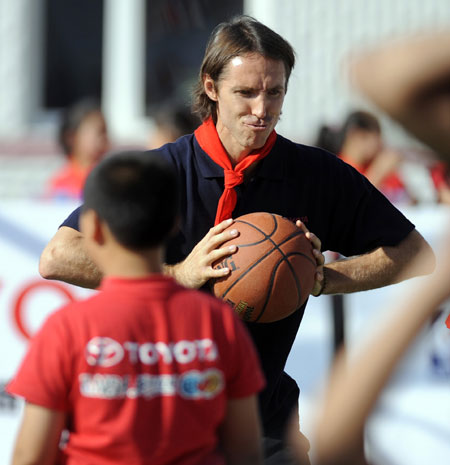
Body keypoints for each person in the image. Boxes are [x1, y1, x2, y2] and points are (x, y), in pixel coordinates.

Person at [38, 16, 435, 464]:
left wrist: (326, 277)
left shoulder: (317, 174)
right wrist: (176, 273)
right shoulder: (160, 172)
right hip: (164, 421)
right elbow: (57, 257)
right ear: (210, 87)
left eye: (275, 92)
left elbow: (415, 254)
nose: (262, 109)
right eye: (246, 93)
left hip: (267, 425)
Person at [9, 150, 265, 465]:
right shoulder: (218, 322)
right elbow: (247, 452)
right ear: (174, 224)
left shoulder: (67, 328)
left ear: (93, 228)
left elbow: (30, 457)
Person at [45, 97, 110, 200]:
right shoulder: (62, 184)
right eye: (100, 132)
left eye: (106, 132)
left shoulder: (109, 178)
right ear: (72, 137)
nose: (105, 138)